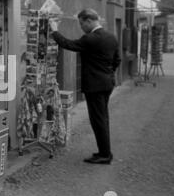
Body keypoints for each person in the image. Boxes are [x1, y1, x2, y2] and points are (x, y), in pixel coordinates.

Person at [49, 9, 121, 165]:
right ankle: (105, 151)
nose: (81, 27)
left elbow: (68, 44)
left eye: (82, 23)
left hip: (95, 86)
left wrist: (54, 30)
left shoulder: (91, 38)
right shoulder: (112, 37)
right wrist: (107, 74)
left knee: (98, 120)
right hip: (107, 83)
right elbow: (117, 60)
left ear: (89, 21)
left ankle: (105, 154)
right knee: (103, 118)